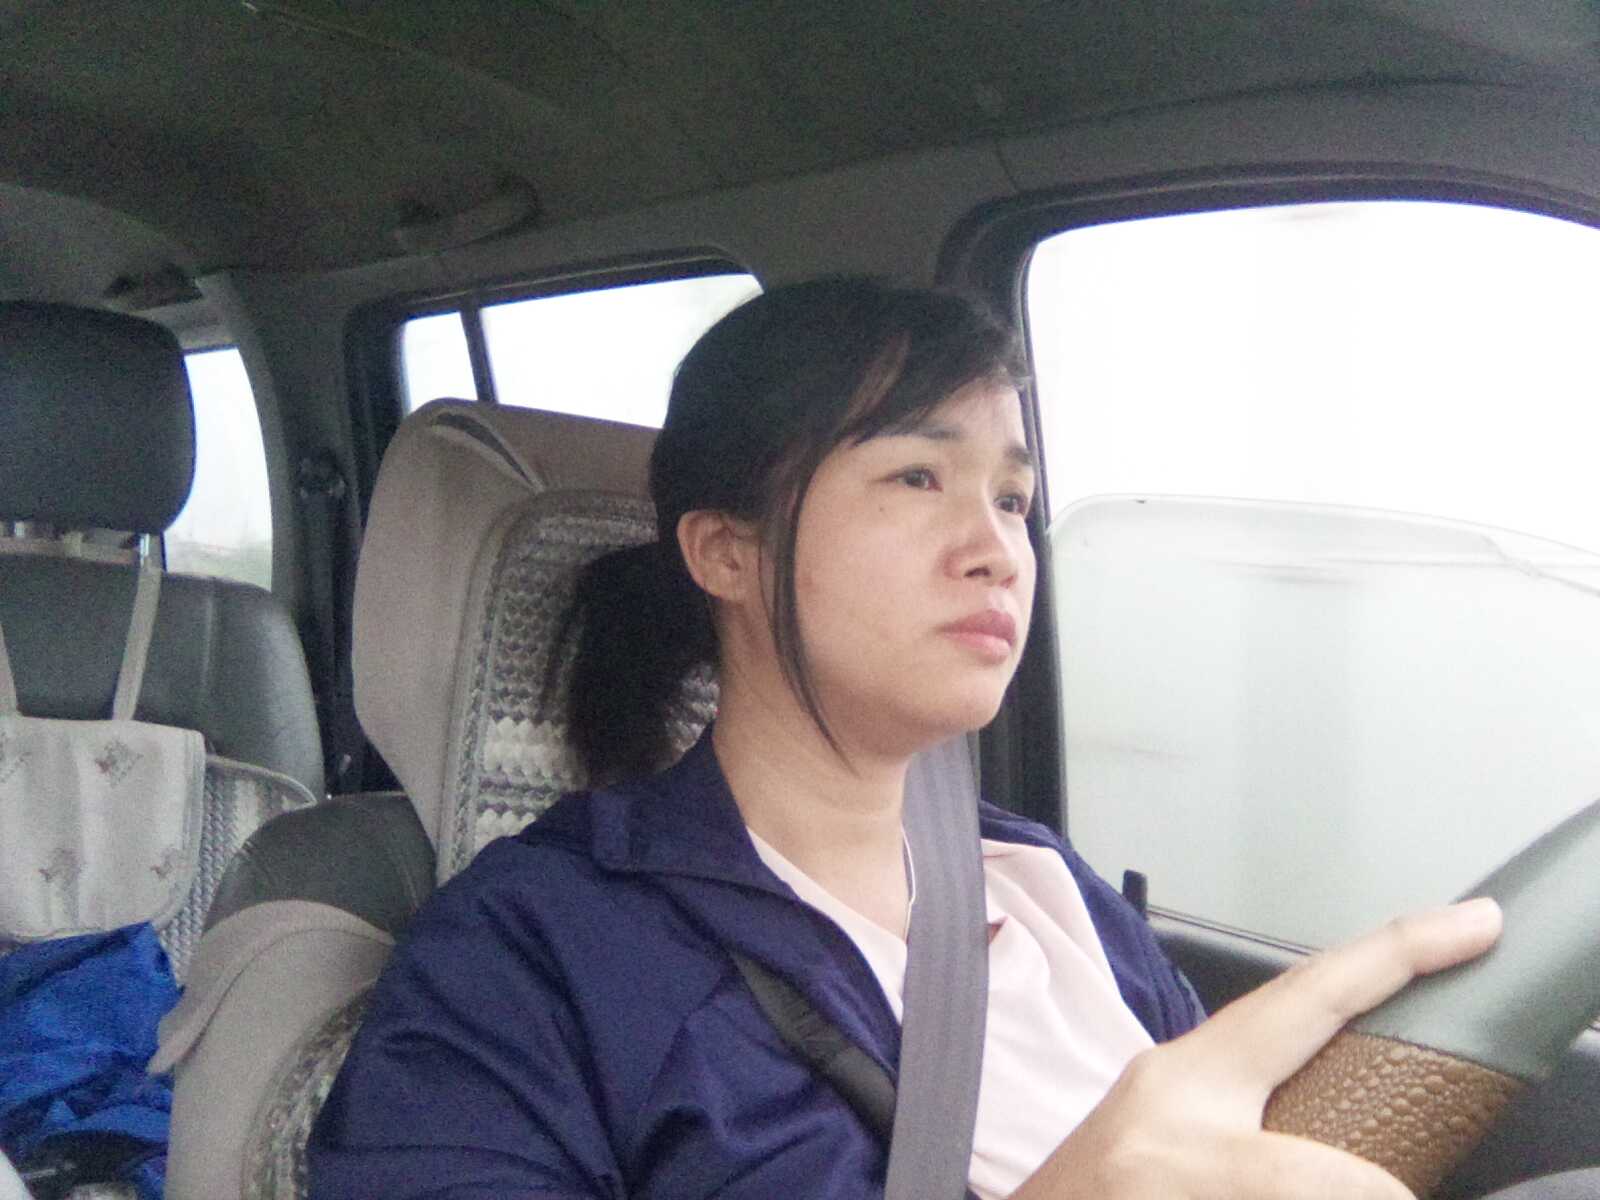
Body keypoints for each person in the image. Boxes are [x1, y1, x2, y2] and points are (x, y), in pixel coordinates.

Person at [307, 278, 1500, 1199]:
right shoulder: (534, 952)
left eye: (1011, 500)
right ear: (728, 552)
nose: (996, 551)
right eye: (919, 478)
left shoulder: (1048, 889)